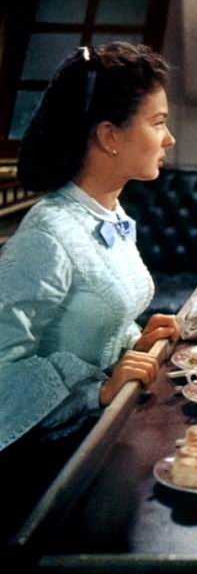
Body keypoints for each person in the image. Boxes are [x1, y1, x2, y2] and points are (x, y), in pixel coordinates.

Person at [0, 43, 179, 537]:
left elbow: (89, 320)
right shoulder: (48, 235)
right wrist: (95, 392)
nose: (169, 138)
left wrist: (135, 343)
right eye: (158, 122)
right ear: (109, 136)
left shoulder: (108, 212)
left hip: (100, 431)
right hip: (45, 467)